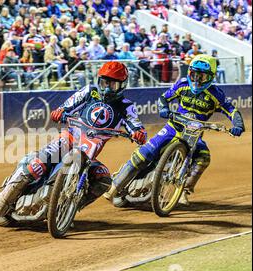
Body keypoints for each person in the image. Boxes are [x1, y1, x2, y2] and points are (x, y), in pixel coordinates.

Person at [0, 61, 147, 217]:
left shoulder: (126, 106)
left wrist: (139, 133)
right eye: (104, 82)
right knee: (39, 163)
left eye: (112, 84)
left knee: (103, 178)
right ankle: (3, 199)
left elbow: (135, 122)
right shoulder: (90, 91)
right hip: (70, 138)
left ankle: (67, 208)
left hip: (88, 153)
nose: (107, 88)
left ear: (122, 85)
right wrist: (60, 111)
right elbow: (68, 105)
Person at [103, 55, 245, 205]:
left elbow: (232, 110)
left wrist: (238, 125)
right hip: (173, 127)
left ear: (211, 77)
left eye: (201, 76)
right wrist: (163, 108)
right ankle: (114, 187)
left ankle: (184, 190)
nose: (196, 80)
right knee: (144, 153)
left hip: (195, 133)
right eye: (193, 74)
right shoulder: (182, 84)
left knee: (204, 157)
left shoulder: (216, 94)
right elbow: (163, 98)